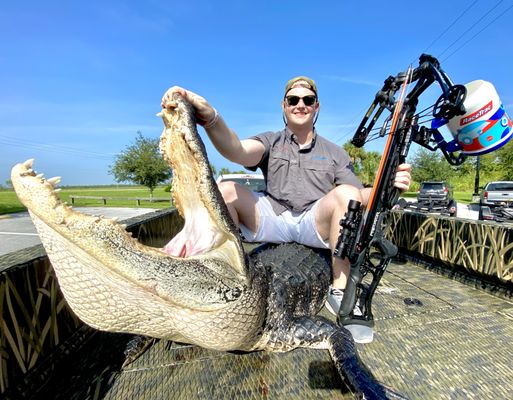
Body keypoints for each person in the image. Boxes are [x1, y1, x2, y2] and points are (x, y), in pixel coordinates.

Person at [161, 77, 411, 343]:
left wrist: (388, 187)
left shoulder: (336, 152)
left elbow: (358, 195)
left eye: (307, 100)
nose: (300, 105)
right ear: (284, 105)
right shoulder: (271, 141)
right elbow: (237, 150)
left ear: (317, 107)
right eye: (293, 100)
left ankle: (339, 289)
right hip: (274, 216)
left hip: (313, 221)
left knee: (347, 195)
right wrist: (211, 118)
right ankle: (226, 280)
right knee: (226, 189)